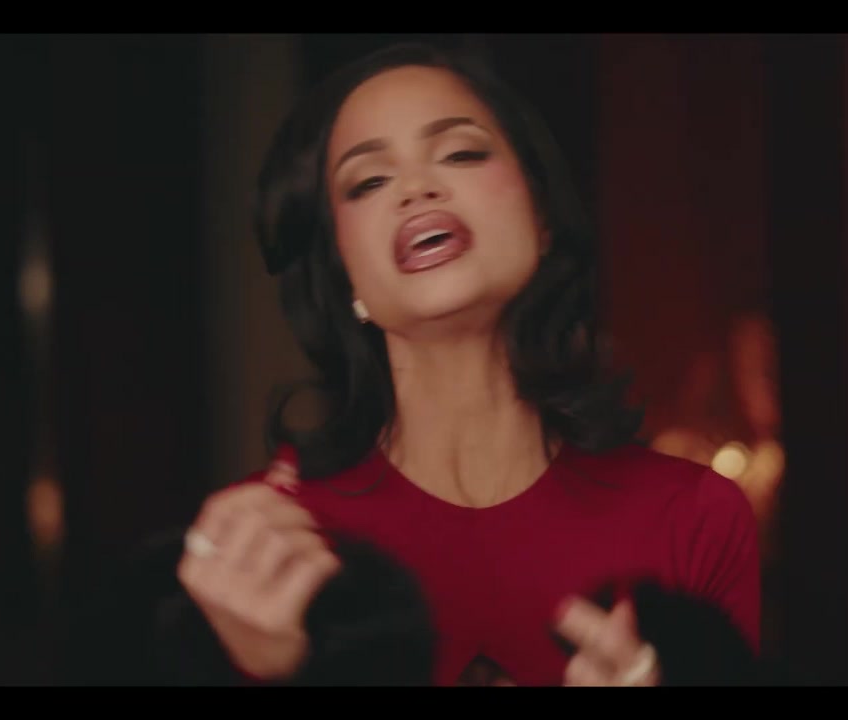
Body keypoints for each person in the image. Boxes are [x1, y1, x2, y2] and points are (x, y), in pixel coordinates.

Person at [91, 41, 763, 687]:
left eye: (462, 152)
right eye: (368, 181)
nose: (416, 188)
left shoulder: (692, 515)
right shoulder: (271, 550)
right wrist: (271, 669)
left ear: (543, 219)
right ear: (344, 275)